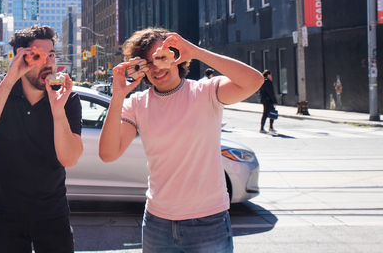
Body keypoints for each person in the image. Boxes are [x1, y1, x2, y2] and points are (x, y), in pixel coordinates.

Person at [98, 27, 263, 253]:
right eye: (148, 63)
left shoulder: (205, 92)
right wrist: (118, 96)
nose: (156, 68)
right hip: (158, 222)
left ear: (176, 57)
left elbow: (254, 81)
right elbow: (108, 154)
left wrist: (195, 52)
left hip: (209, 221)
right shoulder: (136, 104)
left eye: (161, 57)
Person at [0, 25, 83, 253]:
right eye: (38, 56)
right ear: (21, 58)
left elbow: (69, 158)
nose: (49, 62)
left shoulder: (67, 99)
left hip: (51, 210)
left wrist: (57, 109)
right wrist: (12, 77)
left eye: (51, 54)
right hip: (3, 211)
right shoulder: (1, 86)